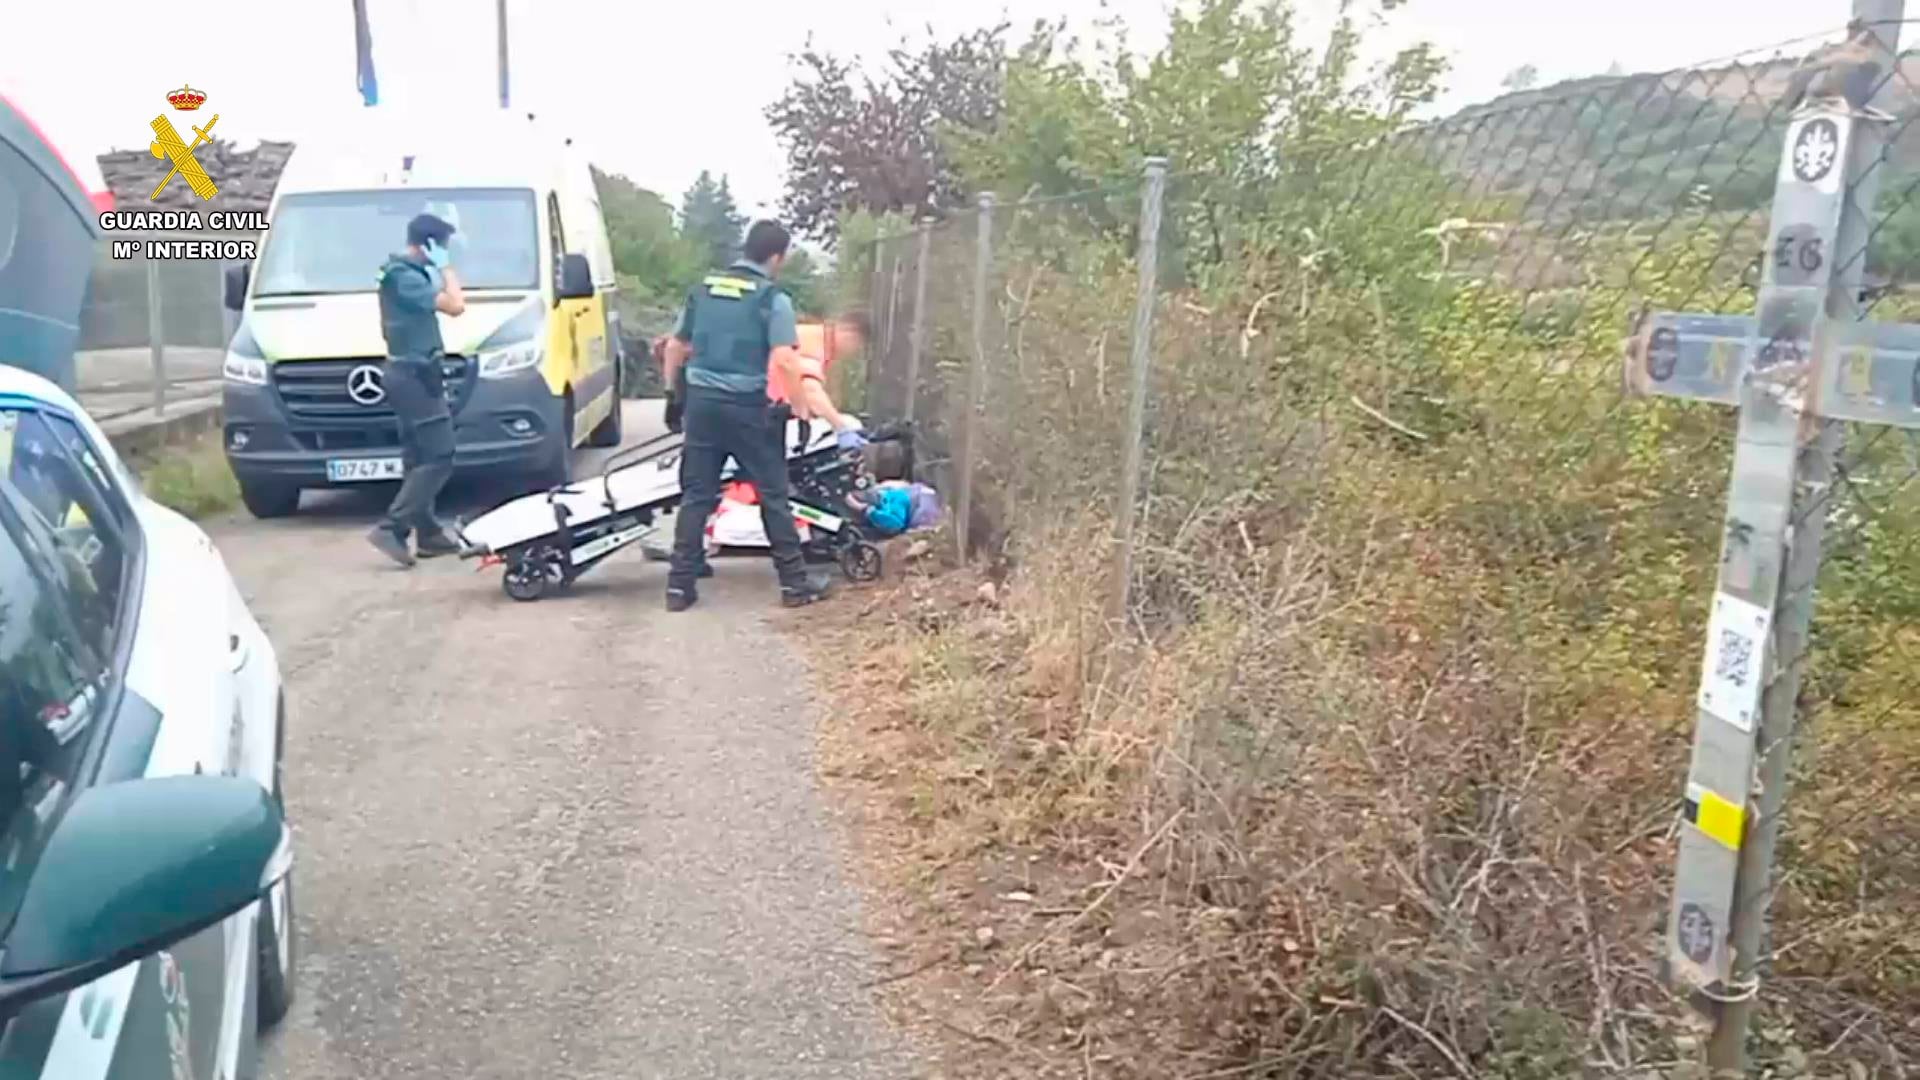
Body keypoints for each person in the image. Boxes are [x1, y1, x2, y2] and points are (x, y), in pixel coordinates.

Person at [661, 219, 832, 612]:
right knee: (773, 493)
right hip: (746, 410)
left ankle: (679, 586)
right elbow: (785, 360)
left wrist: (673, 396)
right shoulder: (772, 298)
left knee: (697, 494)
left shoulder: (703, 290)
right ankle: (794, 584)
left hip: (702, 406)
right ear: (776, 256)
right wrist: (800, 410)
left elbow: (676, 347)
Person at [366, 212, 468, 567]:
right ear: (429, 244)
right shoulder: (404, 277)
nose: (446, 252)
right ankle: (392, 528)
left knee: (418, 457)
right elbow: (455, 306)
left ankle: (428, 534)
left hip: (415, 373)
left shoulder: (406, 273)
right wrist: (448, 270)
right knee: (440, 454)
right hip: (412, 375)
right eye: (443, 245)